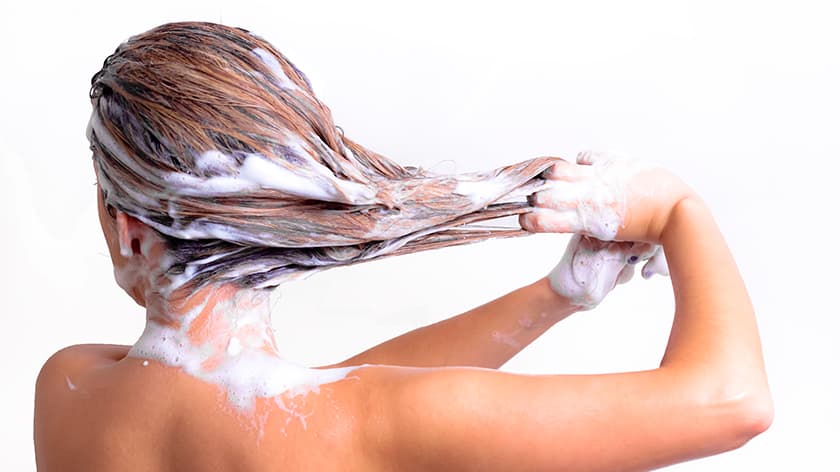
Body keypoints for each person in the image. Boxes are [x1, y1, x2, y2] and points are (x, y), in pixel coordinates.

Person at [34, 22, 772, 471]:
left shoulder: (67, 391)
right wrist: (680, 208)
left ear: (130, 228)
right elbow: (731, 403)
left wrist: (553, 300)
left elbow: (329, 399)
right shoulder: (369, 426)